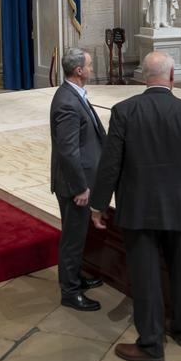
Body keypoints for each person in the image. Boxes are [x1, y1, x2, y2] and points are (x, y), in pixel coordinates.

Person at [90, 51, 181, 361]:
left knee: (146, 278)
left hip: (139, 209)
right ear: (172, 76)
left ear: (142, 77)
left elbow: (110, 166)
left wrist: (98, 205)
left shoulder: (124, 111)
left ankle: (150, 344)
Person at [50, 48, 105, 312]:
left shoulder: (74, 95)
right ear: (79, 71)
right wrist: (80, 186)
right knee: (72, 238)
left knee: (78, 235)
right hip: (74, 185)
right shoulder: (67, 102)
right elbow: (67, 150)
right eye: (90, 65)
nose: (92, 69)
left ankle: (76, 277)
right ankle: (70, 291)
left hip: (81, 181)